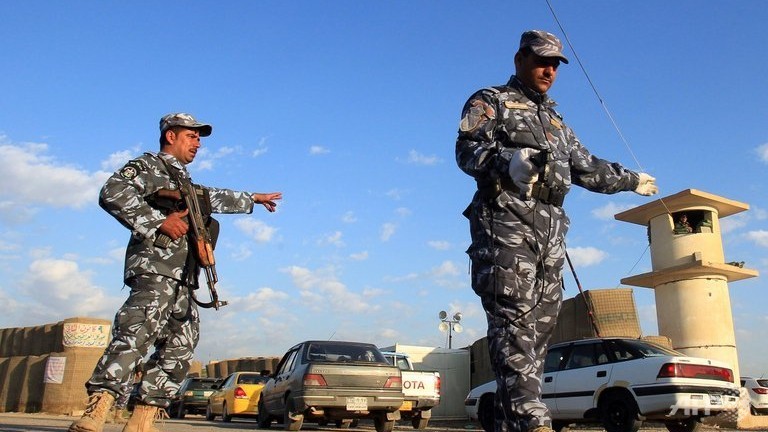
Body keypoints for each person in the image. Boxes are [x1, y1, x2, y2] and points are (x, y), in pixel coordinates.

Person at [455, 30, 658, 432]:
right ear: (520, 59)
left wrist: (630, 179)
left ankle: (515, 422)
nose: (548, 70)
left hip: (551, 238)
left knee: (540, 334)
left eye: (555, 65)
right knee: (515, 327)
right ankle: (533, 423)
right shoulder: (490, 100)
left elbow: (585, 167)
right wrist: (509, 161)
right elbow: (467, 150)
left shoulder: (556, 120)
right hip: (506, 229)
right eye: (540, 61)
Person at [68, 112, 282, 432]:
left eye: (199, 138)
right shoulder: (148, 166)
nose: (198, 143)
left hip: (184, 277)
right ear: (171, 136)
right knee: (137, 332)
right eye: (191, 136)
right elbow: (112, 192)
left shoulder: (185, 181)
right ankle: (98, 408)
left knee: (182, 344)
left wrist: (253, 199)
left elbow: (213, 198)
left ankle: (143, 417)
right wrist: (158, 223)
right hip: (155, 268)